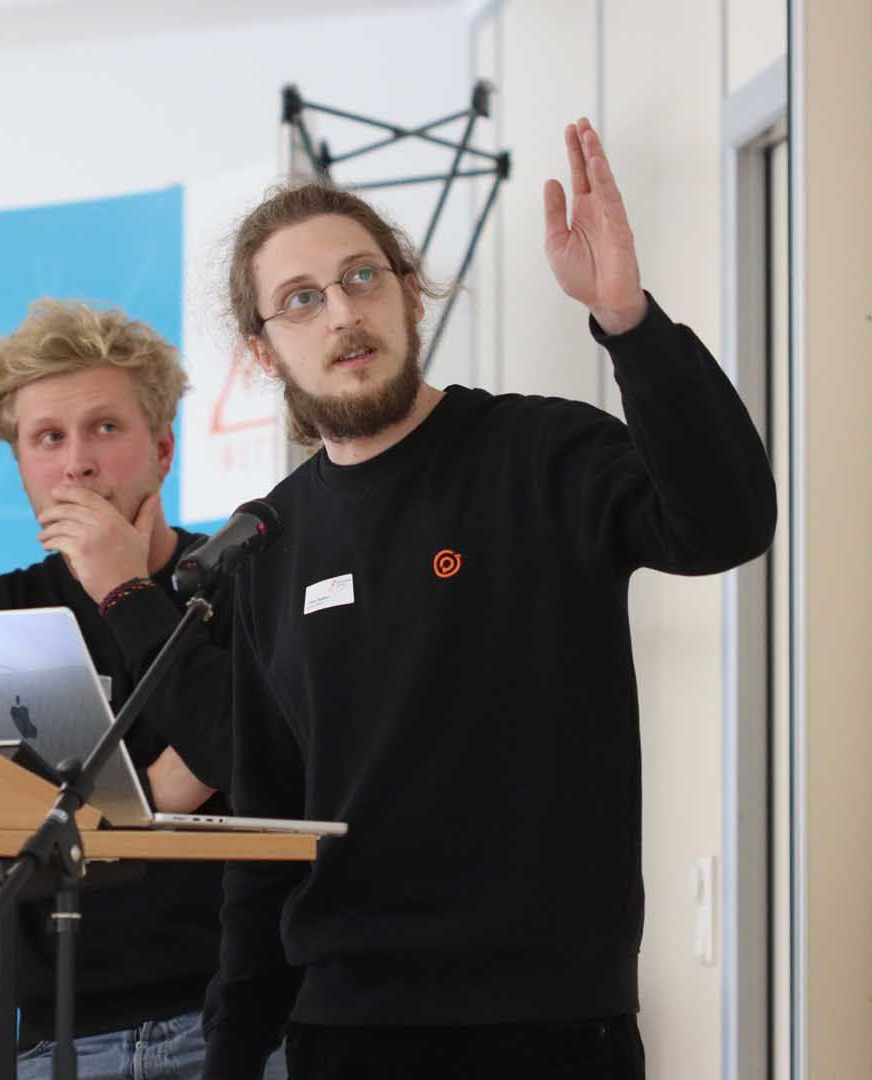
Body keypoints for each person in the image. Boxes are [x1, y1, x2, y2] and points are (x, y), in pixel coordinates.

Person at [201, 119, 776, 1080]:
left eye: (361, 277)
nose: (342, 313)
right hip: (344, 1030)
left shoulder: (542, 455)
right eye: (301, 299)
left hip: (552, 1024)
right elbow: (265, 833)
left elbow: (728, 524)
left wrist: (630, 322)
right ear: (263, 352)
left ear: (409, 292)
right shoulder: (267, 541)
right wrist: (232, 1048)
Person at [0, 299, 287, 1079]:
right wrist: (159, 790)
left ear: (164, 449)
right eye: (48, 438)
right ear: (22, 464)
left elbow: (255, 753)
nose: (77, 462)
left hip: (244, 1032)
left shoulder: (248, 584)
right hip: (55, 1043)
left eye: (105, 428)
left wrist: (122, 587)